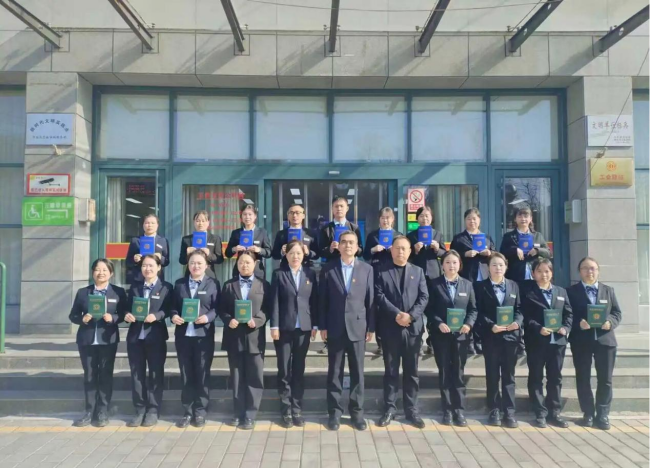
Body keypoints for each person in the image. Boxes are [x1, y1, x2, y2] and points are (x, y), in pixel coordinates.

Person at [319, 231, 374, 431]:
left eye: (351, 242)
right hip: (335, 327)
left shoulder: (367, 269)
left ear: (357, 247)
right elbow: (322, 300)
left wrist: (371, 327)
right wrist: (322, 325)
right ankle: (334, 413)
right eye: (344, 242)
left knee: (357, 373)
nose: (348, 245)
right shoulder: (328, 269)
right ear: (338, 246)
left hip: (358, 328)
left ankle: (357, 414)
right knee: (335, 373)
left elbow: (371, 300)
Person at [374, 236, 428, 428]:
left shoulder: (418, 271)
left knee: (411, 371)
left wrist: (410, 316)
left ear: (410, 251)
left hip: (412, 329)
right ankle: (390, 408)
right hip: (390, 327)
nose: (400, 252)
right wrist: (397, 314)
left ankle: (411, 410)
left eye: (404, 248)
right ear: (391, 250)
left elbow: (424, 297)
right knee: (391, 370)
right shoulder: (381, 271)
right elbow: (379, 295)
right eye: (397, 248)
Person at [69, 258, 127, 427]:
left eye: (104, 270)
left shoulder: (118, 292)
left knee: (106, 374)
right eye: (97, 269)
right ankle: (89, 411)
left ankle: (102, 411)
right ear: (92, 272)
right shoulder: (83, 292)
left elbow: (124, 314)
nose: (101, 273)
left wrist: (113, 318)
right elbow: (73, 315)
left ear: (111, 273)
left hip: (108, 339)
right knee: (89, 375)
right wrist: (82, 319)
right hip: (86, 340)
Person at [567, 257, 621, 431]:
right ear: (579, 271)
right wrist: (578, 324)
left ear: (598, 271)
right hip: (581, 341)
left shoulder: (608, 291)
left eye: (593, 268)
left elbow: (616, 313)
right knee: (583, 378)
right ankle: (588, 413)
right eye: (585, 268)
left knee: (605, 379)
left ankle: (603, 414)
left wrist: (610, 322)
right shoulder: (571, 291)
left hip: (605, 340)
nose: (589, 272)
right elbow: (567, 315)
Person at [270, 241, 319, 428]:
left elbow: (314, 301)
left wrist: (315, 324)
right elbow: (274, 302)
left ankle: (297, 409)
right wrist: (274, 326)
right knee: (284, 370)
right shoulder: (279, 274)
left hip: (304, 328)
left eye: (298, 253)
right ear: (286, 255)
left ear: (303, 255)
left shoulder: (310, 274)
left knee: (298, 370)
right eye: (292, 253)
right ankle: (286, 410)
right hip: (284, 328)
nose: (295, 256)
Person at [426, 250, 477, 427]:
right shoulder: (435, 284)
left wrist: (468, 324)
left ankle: (459, 410)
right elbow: (429, 309)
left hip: (461, 336)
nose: (451, 266)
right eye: (447, 262)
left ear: (460, 265)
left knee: (458, 372)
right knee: (445, 372)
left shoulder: (467, 285)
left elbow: (473, 309)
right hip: (441, 335)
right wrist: (439, 323)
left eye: (455, 262)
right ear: (442, 265)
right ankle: (447, 410)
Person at [220, 252, 269, 430]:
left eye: (248, 262)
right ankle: (238, 412)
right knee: (237, 377)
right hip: (234, 337)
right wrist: (228, 320)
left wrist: (257, 320)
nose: (244, 265)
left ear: (255, 264)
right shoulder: (228, 285)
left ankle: (250, 414)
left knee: (254, 376)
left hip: (255, 336)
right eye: (241, 262)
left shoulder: (263, 285)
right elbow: (221, 308)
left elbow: (268, 308)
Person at [170, 250, 220, 428]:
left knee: (202, 373)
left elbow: (217, 308)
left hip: (203, 335)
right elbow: (173, 307)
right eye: (192, 263)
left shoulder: (213, 283)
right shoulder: (179, 284)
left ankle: (200, 411)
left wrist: (207, 317)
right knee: (186, 374)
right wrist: (174, 316)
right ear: (188, 265)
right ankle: (187, 411)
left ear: (206, 265)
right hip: (183, 336)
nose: (195, 266)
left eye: (199, 263)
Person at [522, 258, 573, 429]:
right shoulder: (529, 293)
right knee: (536, 377)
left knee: (555, 377)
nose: (544, 275)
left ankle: (555, 412)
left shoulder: (561, 291)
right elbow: (525, 317)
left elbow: (569, 314)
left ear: (552, 273)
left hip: (557, 342)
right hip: (536, 341)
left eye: (547, 271)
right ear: (533, 273)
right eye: (539, 271)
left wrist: (566, 328)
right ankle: (540, 412)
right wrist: (538, 328)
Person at [124, 254, 172, 427]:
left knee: (155, 373)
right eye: (144, 265)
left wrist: (157, 316)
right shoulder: (135, 286)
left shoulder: (166, 287)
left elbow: (169, 309)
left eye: (151, 265)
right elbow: (126, 308)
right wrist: (127, 315)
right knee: (136, 374)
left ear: (159, 267)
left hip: (156, 336)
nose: (148, 269)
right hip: (135, 337)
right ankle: (139, 409)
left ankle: (153, 409)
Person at [475, 253, 522, 428]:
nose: (498, 268)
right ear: (488, 268)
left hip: (510, 337)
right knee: (492, 375)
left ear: (506, 267)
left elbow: (519, 309)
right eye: (494, 265)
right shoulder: (480, 287)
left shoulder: (514, 285)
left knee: (509, 375)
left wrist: (517, 322)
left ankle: (509, 411)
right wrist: (491, 325)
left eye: (501, 265)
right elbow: (478, 311)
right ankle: (494, 409)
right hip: (491, 337)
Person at [451, 208, 496, 355]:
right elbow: (452, 256)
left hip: (484, 278)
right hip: (467, 278)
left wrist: (489, 253)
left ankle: (480, 340)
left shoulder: (486, 237)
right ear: (465, 220)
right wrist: (465, 254)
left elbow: (496, 256)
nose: (472, 221)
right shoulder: (459, 238)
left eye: (475, 218)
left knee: (482, 309)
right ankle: (469, 341)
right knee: (469, 309)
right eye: (469, 218)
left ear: (479, 220)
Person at [407, 205, 446, 356]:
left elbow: (445, 254)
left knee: (433, 308)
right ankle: (417, 342)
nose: (424, 218)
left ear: (432, 218)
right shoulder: (411, 235)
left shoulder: (437, 234)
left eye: (427, 216)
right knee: (417, 308)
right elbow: (407, 257)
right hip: (417, 275)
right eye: (422, 216)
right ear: (417, 218)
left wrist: (437, 249)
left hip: (434, 275)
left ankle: (432, 342)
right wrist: (415, 249)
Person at [364, 207, 402, 356]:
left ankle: (394, 340)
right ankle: (380, 343)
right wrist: (374, 249)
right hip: (377, 273)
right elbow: (365, 255)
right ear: (379, 220)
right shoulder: (372, 235)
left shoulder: (398, 236)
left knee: (393, 305)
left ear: (393, 219)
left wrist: (395, 250)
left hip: (393, 273)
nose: (385, 220)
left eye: (388, 217)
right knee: (379, 307)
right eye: (383, 218)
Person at [499, 206, 551, 285]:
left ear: (530, 219)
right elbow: (501, 254)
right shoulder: (508, 236)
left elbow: (548, 252)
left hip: (535, 276)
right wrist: (514, 250)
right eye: (520, 216)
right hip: (515, 276)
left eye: (526, 216)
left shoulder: (537, 236)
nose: (523, 219)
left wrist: (537, 250)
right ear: (515, 219)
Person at [226, 205, 272, 279]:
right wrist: (235, 249)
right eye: (244, 214)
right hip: (240, 270)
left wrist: (259, 250)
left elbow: (269, 252)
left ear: (255, 216)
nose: (247, 217)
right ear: (241, 216)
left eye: (250, 214)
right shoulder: (236, 233)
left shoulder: (262, 232)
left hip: (257, 271)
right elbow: (227, 253)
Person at [179, 210, 224, 279]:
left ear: (208, 222)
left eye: (203, 221)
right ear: (194, 222)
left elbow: (220, 260)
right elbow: (182, 261)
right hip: (191, 274)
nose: (200, 223)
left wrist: (209, 254)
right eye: (198, 221)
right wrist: (187, 253)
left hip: (209, 275)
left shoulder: (215, 238)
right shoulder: (186, 239)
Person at [125, 214, 170, 284]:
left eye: (153, 223)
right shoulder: (135, 240)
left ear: (157, 225)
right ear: (143, 225)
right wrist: (135, 259)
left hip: (157, 278)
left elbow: (166, 262)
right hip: (139, 278)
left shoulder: (163, 241)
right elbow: (128, 261)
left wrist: (160, 258)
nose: (150, 225)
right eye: (147, 223)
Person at [271, 203, 319, 268]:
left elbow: (316, 255)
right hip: (286, 269)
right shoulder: (281, 234)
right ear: (288, 216)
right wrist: (282, 252)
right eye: (291, 213)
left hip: (305, 269)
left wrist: (308, 252)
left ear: (303, 216)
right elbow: (274, 255)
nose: (294, 215)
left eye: (297, 213)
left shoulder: (310, 234)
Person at [319, 196, 363, 261]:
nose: (339, 209)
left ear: (347, 208)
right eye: (336, 206)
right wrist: (330, 249)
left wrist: (352, 247)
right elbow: (320, 252)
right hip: (332, 264)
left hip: (350, 264)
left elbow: (360, 252)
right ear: (332, 209)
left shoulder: (354, 228)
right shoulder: (325, 229)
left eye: (341, 206)